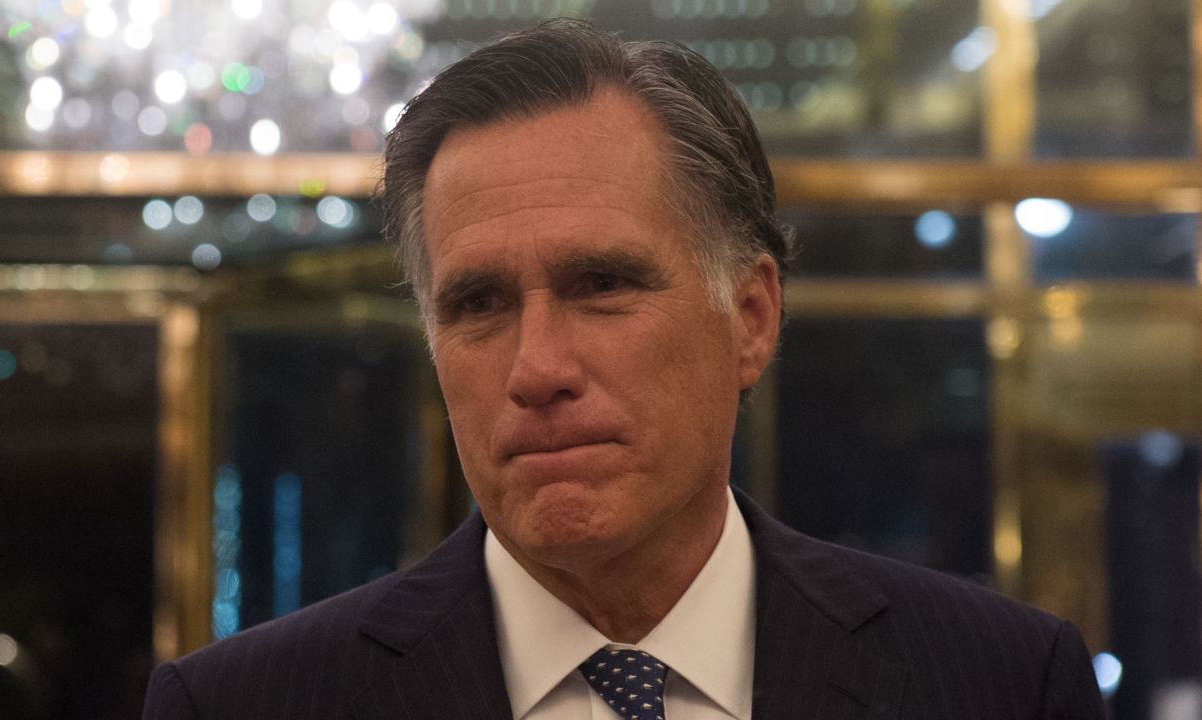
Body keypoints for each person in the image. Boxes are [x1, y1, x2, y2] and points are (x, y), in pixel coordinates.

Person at [143, 19, 1106, 720]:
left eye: (602, 284)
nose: (537, 368)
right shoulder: (242, 704)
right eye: (477, 305)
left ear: (752, 317)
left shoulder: (998, 685)